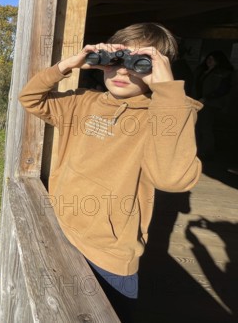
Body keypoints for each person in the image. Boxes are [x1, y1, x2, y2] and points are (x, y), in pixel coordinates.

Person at [19, 23, 202, 322]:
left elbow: (172, 179)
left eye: (138, 65)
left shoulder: (166, 116)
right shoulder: (81, 102)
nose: (122, 73)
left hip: (110, 254)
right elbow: (30, 98)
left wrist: (167, 93)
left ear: (158, 69)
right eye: (115, 62)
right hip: (61, 227)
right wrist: (68, 64)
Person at [192, 50, 235, 159]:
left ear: (218, 61)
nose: (209, 61)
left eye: (212, 59)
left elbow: (222, 89)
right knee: (198, 126)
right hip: (199, 102)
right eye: (208, 58)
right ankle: (197, 149)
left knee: (206, 127)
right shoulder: (203, 71)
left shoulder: (223, 73)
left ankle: (206, 152)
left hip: (211, 104)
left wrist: (207, 98)